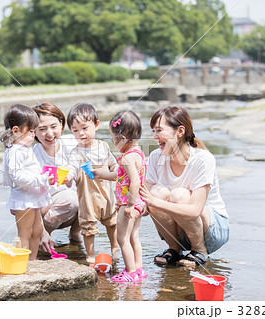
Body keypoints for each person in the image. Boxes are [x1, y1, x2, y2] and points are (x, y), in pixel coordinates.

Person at [139, 106, 229, 266]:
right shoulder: (155, 157)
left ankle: (200, 250)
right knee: (157, 192)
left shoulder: (203, 159)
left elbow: (195, 210)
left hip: (212, 231)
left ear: (180, 131)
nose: (154, 136)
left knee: (178, 195)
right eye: (153, 131)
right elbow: (145, 201)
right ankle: (174, 249)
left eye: (159, 130)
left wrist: (154, 202)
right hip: (178, 231)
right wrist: (128, 207)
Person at [65, 103, 119, 264]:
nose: (81, 133)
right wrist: (67, 176)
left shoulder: (103, 146)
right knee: (88, 228)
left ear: (96, 125)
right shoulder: (76, 152)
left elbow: (112, 163)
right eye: (75, 130)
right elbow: (72, 169)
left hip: (106, 193)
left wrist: (116, 170)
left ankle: (115, 246)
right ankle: (90, 253)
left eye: (84, 128)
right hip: (87, 198)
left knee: (112, 222)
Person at [1, 104, 53, 261]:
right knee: (25, 232)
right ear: (16, 130)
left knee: (37, 231)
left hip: (33, 197)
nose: (33, 135)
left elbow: (30, 170)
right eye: (30, 132)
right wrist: (41, 179)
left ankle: (32, 261)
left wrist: (44, 177)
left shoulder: (23, 148)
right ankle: (22, 264)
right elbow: (17, 176)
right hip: (23, 199)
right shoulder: (14, 150)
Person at [32, 102, 81, 253]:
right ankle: (42, 235)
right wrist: (42, 230)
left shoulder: (73, 144)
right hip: (45, 211)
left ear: (61, 124)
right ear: (33, 131)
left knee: (94, 192)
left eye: (53, 126)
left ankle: (76, 232)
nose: (49, 133)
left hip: (75, 211)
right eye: (42, 129)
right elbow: (31, 199)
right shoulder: (33, 155)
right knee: (70, 197)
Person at [106, 111, 147, 283]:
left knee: (122, 238)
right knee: (133, 237)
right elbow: (122, 177)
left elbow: (135, 182)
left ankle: (130, 272)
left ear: (123, 138)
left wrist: (129, 205)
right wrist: (101, 174)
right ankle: (138, 269)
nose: (114, 143)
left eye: (113, 139)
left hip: (130, 204)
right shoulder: (138, 153)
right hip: (138, 203)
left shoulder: (128, 158)